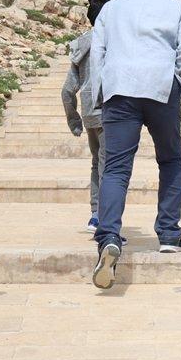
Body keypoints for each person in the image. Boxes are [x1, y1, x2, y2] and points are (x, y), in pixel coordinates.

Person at [89, 0, 181, 290]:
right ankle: (168, 234)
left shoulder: (115, 6)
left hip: (120, 88)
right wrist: (177, 80)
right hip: (161, 87)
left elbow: (98, 51)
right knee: (171, 159)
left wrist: (100, 92)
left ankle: (108, 235)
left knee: (117, 168)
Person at [62, 21, 104, 233]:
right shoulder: (117, 38)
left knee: (97, 162)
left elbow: (67, 91)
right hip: (110, 109)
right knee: (110, 166)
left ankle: (95, 214)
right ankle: (107, 221)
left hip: (89, 111)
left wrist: (74, 121)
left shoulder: (83, 44)